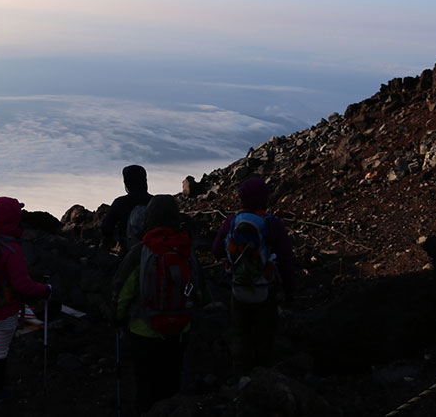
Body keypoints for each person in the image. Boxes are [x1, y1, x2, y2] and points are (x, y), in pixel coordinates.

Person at [112, 194, 203, 414]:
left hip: (145, 331)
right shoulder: (185, 249)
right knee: (172, 385)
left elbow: (123, 293)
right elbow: (197, 292)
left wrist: (117, 318)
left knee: (146, 387)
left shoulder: (140, 252)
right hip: (179, 330)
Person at [212, 176, 296, 375]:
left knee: (240, 333)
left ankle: (240, 377)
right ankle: (263, 376)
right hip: (265, 289)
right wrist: (290, 291)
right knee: (264, 335)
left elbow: (216, 250)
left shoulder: (231, 221)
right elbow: (286, 261)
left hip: (238, 287)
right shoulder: (271, 223)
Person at [0, 196, 51, 405]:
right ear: (12, 220)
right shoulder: (11, 250)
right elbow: (22, 285)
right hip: (4, 311)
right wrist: (45, 290)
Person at [101, 164, 153, 253]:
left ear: (127, 183)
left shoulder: (120, 203)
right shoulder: (154, 201)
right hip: (155, 252)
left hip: (129, 253)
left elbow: (106, 229)